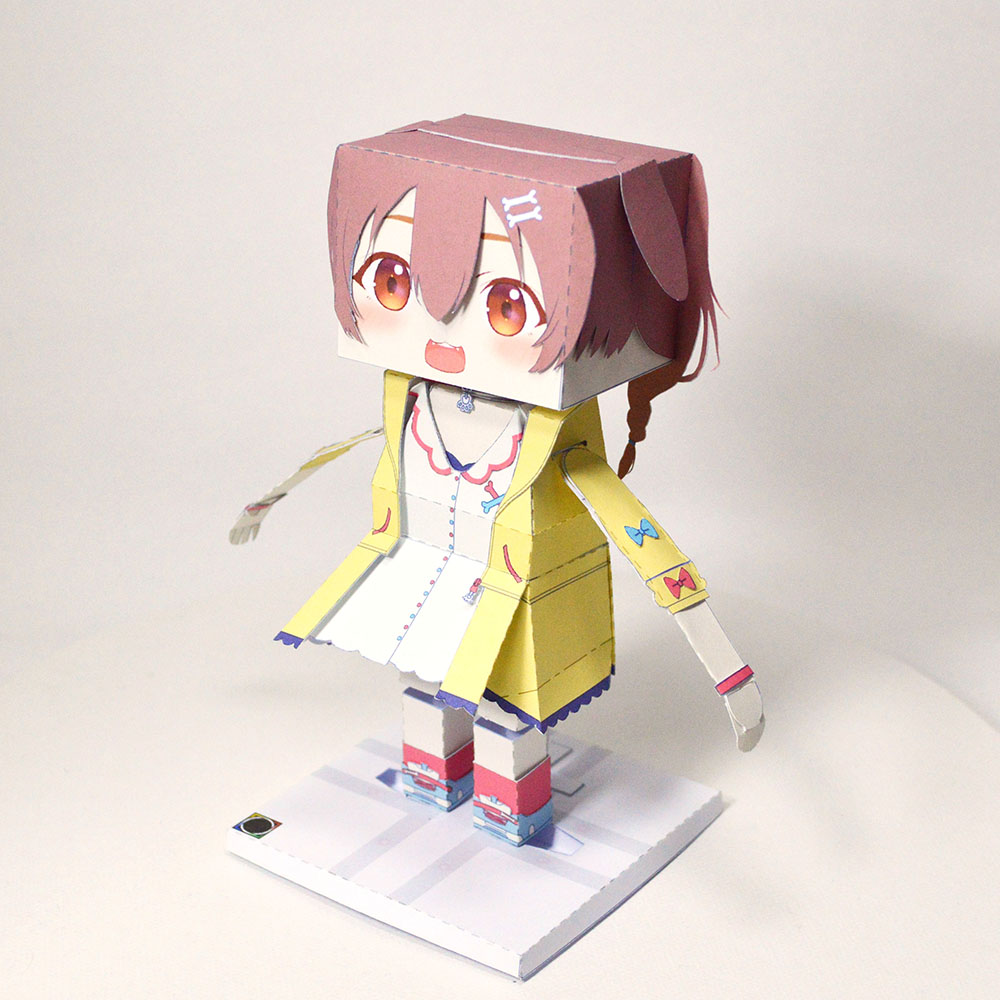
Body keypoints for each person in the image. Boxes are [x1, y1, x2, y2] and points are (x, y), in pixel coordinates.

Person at [230, 116, 764, 846]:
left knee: (510, 712)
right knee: (425, 689)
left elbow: (634, 527)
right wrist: (270, 499)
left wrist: (722, 662)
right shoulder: (406, 397)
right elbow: (373, 442)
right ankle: (431, 778)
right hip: (421, 571)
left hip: (521, 591)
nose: (445, 341)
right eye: (393, 281)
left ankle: (512, 812)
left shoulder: (557, 434)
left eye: (507, 306)